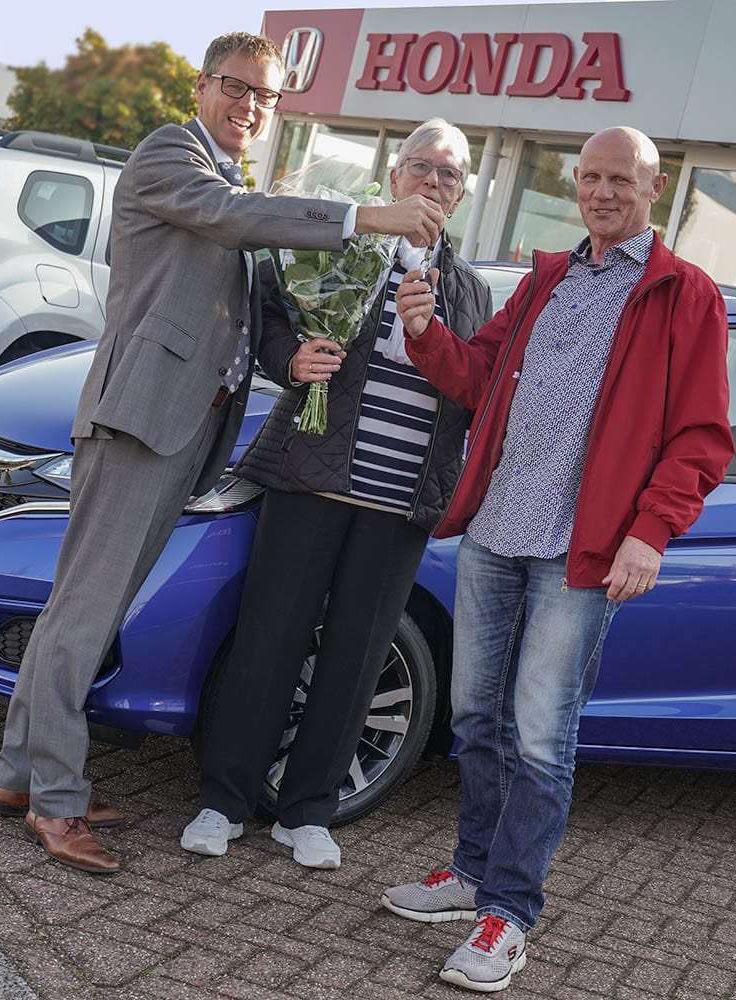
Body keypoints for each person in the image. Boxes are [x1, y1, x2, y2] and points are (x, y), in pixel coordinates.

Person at [0, 31, 443, 876]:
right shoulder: (172, 155)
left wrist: (292, 356)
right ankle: (54, 798)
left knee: (88, 611)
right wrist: (367, 218)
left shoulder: (227, 175)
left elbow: (240, 298)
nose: (250, 106)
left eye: (266, 96)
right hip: (140, 421)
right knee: (84, 614)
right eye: (237, 87)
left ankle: (21, 775)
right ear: (202, 86)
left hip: (185, 431)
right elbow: (234, 218)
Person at [383, 126, 733, 992]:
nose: (603, 192)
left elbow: (701, 436)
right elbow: (477, 376)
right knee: (474, 717)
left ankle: (508, 915)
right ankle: (472, 873)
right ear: (576, 183)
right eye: (591, 177)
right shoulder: (548, 279)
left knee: (541, 738)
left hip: (581, 552)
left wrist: (651, 531)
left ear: (653, 187)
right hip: (497, 531)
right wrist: (425, 333)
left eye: (621, 179)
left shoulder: (684, 294)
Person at [182, 119, 493, 868]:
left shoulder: (471, 291)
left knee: (356, 659)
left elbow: (477, 388)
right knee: (270, 640)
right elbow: (270, 318)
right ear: (395, 176)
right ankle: (224, 801)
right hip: (311, 478)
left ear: (461, 194)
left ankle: (309, 811)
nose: (432, 182)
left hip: (401, 500)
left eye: (449, 174)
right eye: (421, 166)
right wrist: (292, 359)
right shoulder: (344, 249)